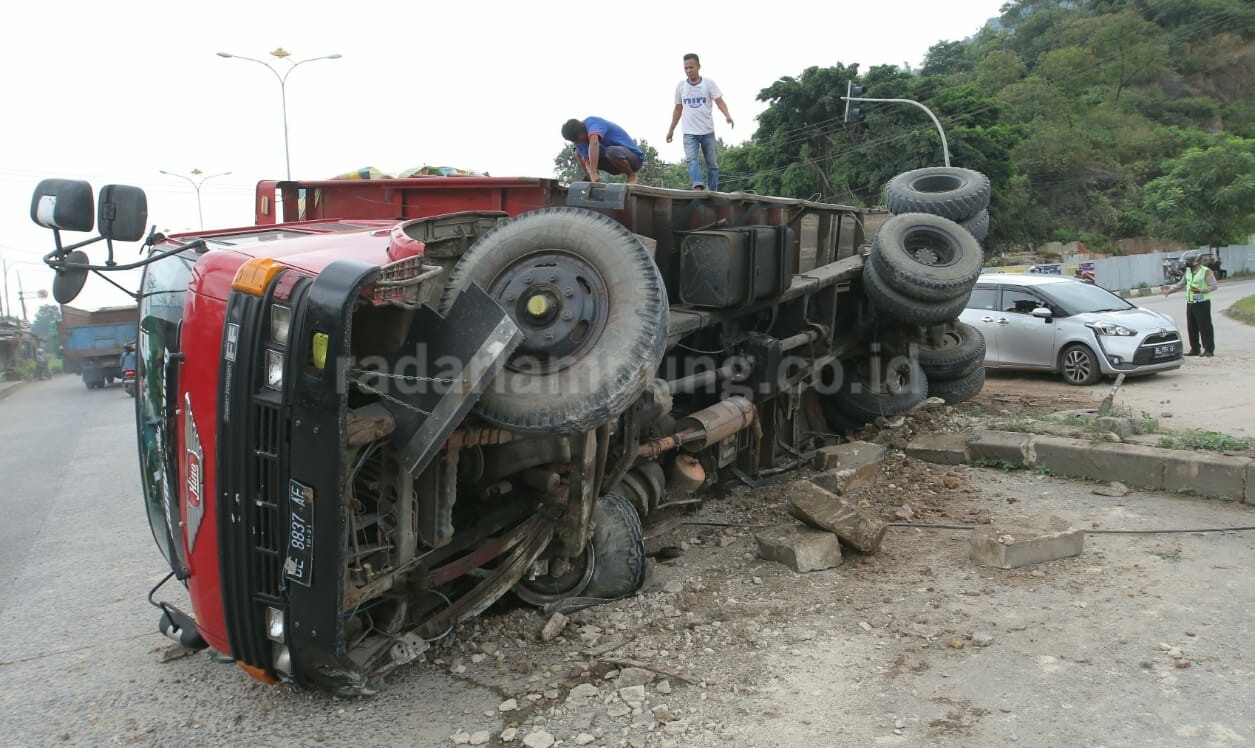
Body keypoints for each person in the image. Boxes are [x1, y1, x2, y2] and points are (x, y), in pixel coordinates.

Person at [666, 53, 734, 191]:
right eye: (686, 68)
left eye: (691, 67)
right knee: (691, 159)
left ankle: (712, 191)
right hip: (689, 132)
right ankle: (697, 185)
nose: (688, 70)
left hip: (707, 131)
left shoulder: (709, 84)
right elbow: (678, 109)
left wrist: (727, 115)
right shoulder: (681, 87)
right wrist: (671, 129)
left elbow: (719, 102)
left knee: (712, 164)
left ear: (698, 67)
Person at [1162, 249, 1218, 357]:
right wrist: (1169, 291)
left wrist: (1200, 290)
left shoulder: (1206, 271)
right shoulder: (1188, 271)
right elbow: (1181, 284)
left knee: (1205, 327)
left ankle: (1209, 350)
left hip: (1202, 303)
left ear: (1195, 261)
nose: (1186, 263)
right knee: (1192, 327)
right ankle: (1195, 349)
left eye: (1188, 261)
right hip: (1190, 303)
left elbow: (1214, 286)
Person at [561, 117, 645, 184]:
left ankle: (631, 175)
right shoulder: (578, 143)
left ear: (582, 129)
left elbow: (594, 143)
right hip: (613, 164)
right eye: (575, 141)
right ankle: (592, 181)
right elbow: (587, 162)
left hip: (634, 159)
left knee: (611, 151)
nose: (579, 142)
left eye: (578, 139)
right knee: (577, 153)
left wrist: (593, 172)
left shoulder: (593, 123)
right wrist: (592, 176)